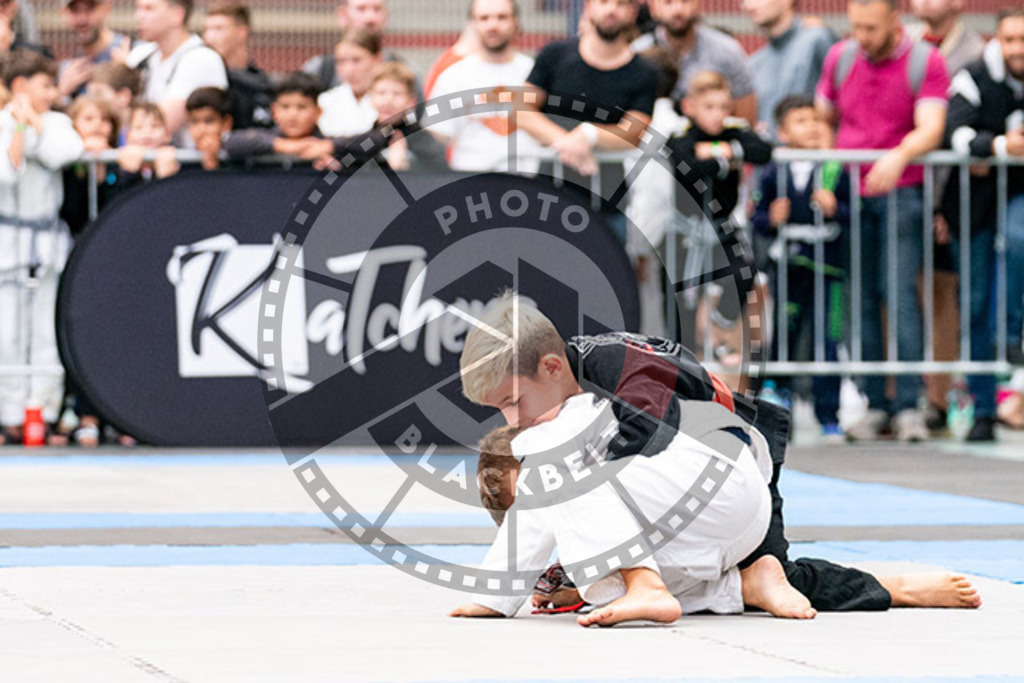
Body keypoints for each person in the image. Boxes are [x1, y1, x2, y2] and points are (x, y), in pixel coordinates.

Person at [454, 293, 982, 619]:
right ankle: (890, 587)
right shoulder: (573, 389)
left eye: (512, 402)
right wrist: (572, 574)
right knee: (763, 580)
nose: (512, 419)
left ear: (550, 367)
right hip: (706, 500)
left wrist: (570, 565)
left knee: (553, 460)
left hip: (738, 473)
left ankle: (661, 584)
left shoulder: (620, 371)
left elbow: (679, 449)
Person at [816, 0, 949, 442]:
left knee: (900, 296)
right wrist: (827, 175)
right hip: (852, 195)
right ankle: (875, 404)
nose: (863, 37)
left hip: (902, 192)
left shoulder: (924, 62)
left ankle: (909, 404)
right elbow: (824, 117)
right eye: (856, 27)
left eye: (871, 28)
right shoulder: (841, 57)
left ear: (895, 20)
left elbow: (931, 126)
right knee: (859, 300)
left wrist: (898, 156)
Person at [940, 9, 1024, 442]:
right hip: (973, 208)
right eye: (1011, 39)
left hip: (1016, 201)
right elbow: (951, 132)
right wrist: (995, 146)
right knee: (973, 305)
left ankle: (1013, 336)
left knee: (1018, 239)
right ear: (999, 40)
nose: (1018, 49)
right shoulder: (974, 76)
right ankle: (984, 408)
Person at [907, 0, 985, 433]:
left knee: (943, 294)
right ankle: (904, 396)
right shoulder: (907, 47)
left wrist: (942, 206)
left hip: (951, 195)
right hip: (905, 186)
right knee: (902, 291)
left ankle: (940, 398)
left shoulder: (973, 53)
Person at [752, 95, 849, 442]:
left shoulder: (836, 168)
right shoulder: (772, 170)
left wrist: (836, 208)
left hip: (827, 269)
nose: (810, 127)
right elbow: (758, 217)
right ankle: (779, 411)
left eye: (814, 119)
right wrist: (770, 218)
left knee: (827, 338)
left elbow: (853, 214)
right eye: (800, 121)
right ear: (782, 132)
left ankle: (829, 414)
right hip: (788, 266)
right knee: (784, 335)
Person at [0, 50, 84, 445]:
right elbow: (7, 173)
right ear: (19, 86)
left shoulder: (57, 123)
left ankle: (43, 412)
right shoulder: (2, 123)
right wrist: (18, 128)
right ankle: (8, 414)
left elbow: (66, 153)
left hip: (47, 241)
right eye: (45, 85)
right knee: (7, 331)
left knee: (44, 329)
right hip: (8, 241)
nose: (53, 92)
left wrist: (34, 124)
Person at [429, 0, 544, 172]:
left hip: (529, 185)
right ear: (472, 24)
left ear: (516, 22)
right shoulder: (452, 77)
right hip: (469, 186)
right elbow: (437, 138)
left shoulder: (536, 74)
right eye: (484, 18)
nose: (493, 25)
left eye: (502, 17)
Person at [632, 0, 757, 125]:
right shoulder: (637, 53)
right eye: (668, 2)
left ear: (698, 4)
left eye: (685, 1)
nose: (677, 10)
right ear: (653, 9)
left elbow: (745, 119)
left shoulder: (727, 50)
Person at [126, 0, 228, 145]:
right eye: (138, 9)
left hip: (189, 164)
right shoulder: (140, 55)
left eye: (149, 9)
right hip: (147, 162)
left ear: (177, 15)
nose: (139, 16)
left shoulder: (202, 58)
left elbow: (161, 124)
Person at [742, 0, 838, 136]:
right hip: (772, 155)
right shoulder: (754, 64)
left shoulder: (818, 40)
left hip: (817, 154)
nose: (749, 6)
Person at [224, 71, 328, 162]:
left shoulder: (328, 145)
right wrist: (286, 146)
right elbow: (231, 142)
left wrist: (332, 164)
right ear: (274, 111)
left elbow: (343, 149)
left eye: (301, 107)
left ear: (318, 112)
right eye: (285, 107)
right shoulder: (263, 141)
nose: (293, 115)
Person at [202, 0, 273, 131]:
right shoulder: (202, 77)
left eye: (218, 29)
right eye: (206, 30)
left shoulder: (262, 85)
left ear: (242, 32)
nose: (209, 37)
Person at [302, 0, 396, 92]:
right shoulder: (321, 70)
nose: (370, 18)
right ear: (343, 15)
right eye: (361, 9)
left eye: (377, 9)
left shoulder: (398, 68)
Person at [57, 0, 132, 102]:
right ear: (64, 13)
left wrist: (127, 73)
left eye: (89, 9)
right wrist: (61, 93)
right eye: (75, 10)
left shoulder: (130, 52)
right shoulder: (68, 69)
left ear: (106, 9)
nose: (82, 19)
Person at [317, 28, 382, 138]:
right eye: (341, 61)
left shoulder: (392, 101)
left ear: (376, 59)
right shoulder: (325, 101)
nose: (349, 70)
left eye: (356, 60)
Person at [116, 102, 181, 183]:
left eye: (154, 126)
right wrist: (129, 172)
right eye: (138, 128)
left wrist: (168, 176)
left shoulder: (181, 164)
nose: (147, 133)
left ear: (168, 134)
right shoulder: (115, 166)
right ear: (127, 136)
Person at [87, 61, 141, 144]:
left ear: (123, 96)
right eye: (90, 95)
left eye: (98, 94)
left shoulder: (144, 135)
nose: (91, 100)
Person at [185, 87, 233, 171]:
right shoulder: (181, 161)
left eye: (209, 121)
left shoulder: (240, 158)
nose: (201, 129)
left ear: (226, 123)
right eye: (194, 122)